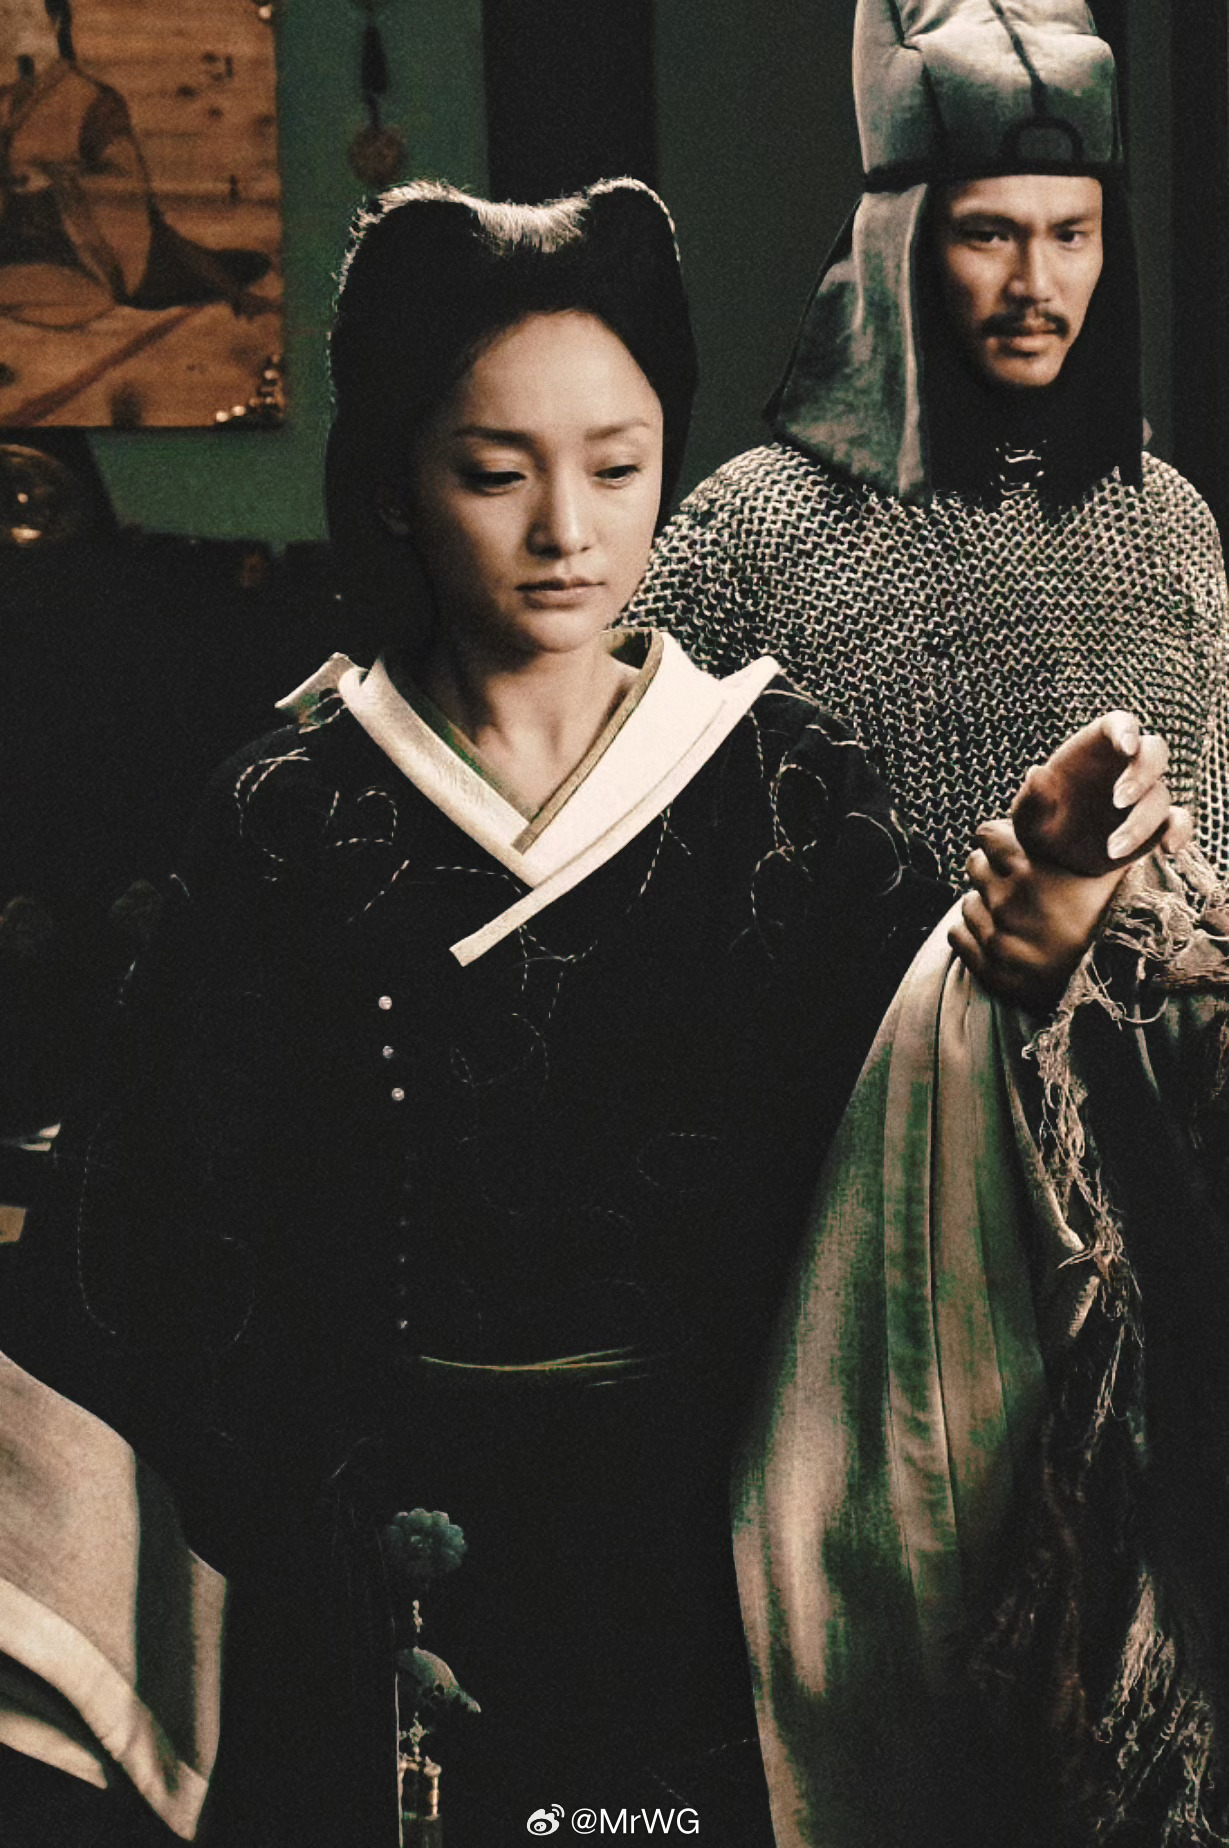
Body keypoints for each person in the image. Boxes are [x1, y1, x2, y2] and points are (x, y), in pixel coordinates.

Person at [0, 178, 1183, 1848]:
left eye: (618, 469)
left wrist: (1038, 930)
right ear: (398, 484)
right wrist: (307, 1498)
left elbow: (922, 1126)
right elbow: (154, 1235)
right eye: (496, 473)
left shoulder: (781, 790)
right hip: (382, 1561)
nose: (566, 529)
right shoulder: (288, 810)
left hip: (714, 1550)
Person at [629, 0, 1229, 884]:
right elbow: (625, 872)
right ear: (902, 247)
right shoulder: (750, 534)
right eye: (988, 233)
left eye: (1070, 234)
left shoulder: (1168, 524)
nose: (1035, 284)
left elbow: (1213, 875)